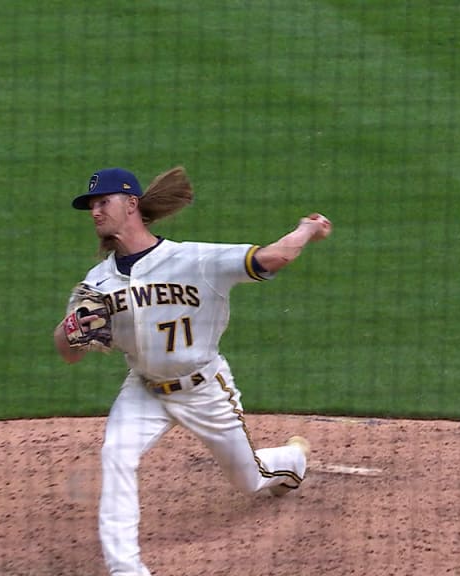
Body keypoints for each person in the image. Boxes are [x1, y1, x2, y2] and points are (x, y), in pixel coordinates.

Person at [53, 166, 332, 576]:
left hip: (204, 390)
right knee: (116, 452)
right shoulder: (98, 284)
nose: (95, 212)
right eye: (90, 206)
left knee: (248, 479)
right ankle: (126, 570)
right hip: (144, 390)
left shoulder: (194, 260)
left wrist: (307, 229)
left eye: (102, 202)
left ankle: (291, 461)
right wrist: (71, 328)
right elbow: (68, 353)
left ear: (131, 204)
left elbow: (275, 256)